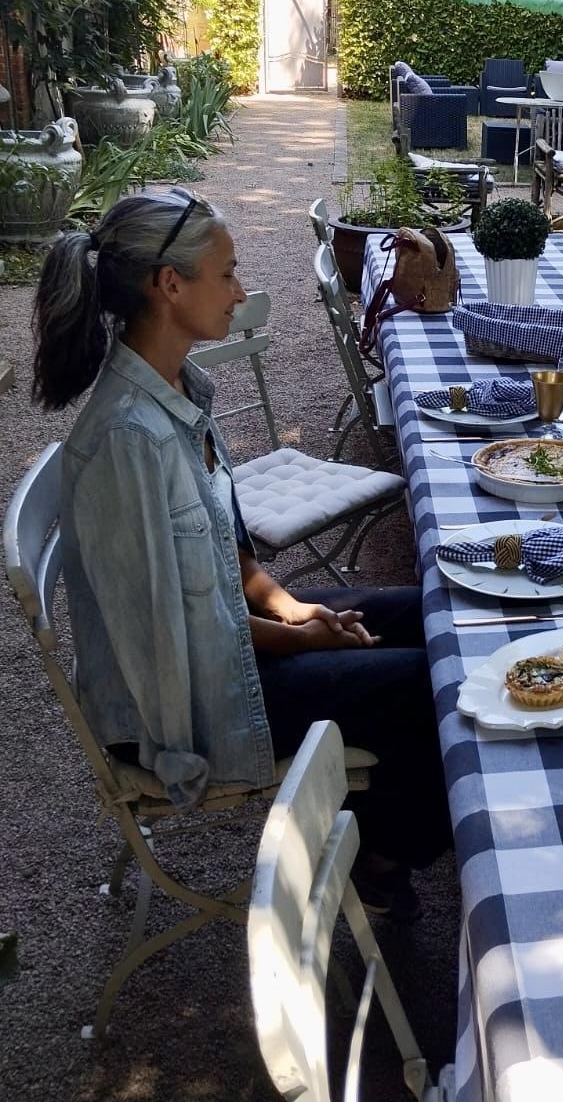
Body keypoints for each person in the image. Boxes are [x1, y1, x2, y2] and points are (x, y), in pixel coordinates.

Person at [33, 188, 450, 913]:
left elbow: (233, 563)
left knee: (437, 615)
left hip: (218, 650)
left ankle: (380, 829)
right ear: (170, 285)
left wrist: (295, 612)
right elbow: (174, 642)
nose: (240, 291)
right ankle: (382, 857)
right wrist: (301, 641)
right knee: (432, 684)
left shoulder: (176, 389)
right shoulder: (130, 440)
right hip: (181, 707)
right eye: (225, 274)